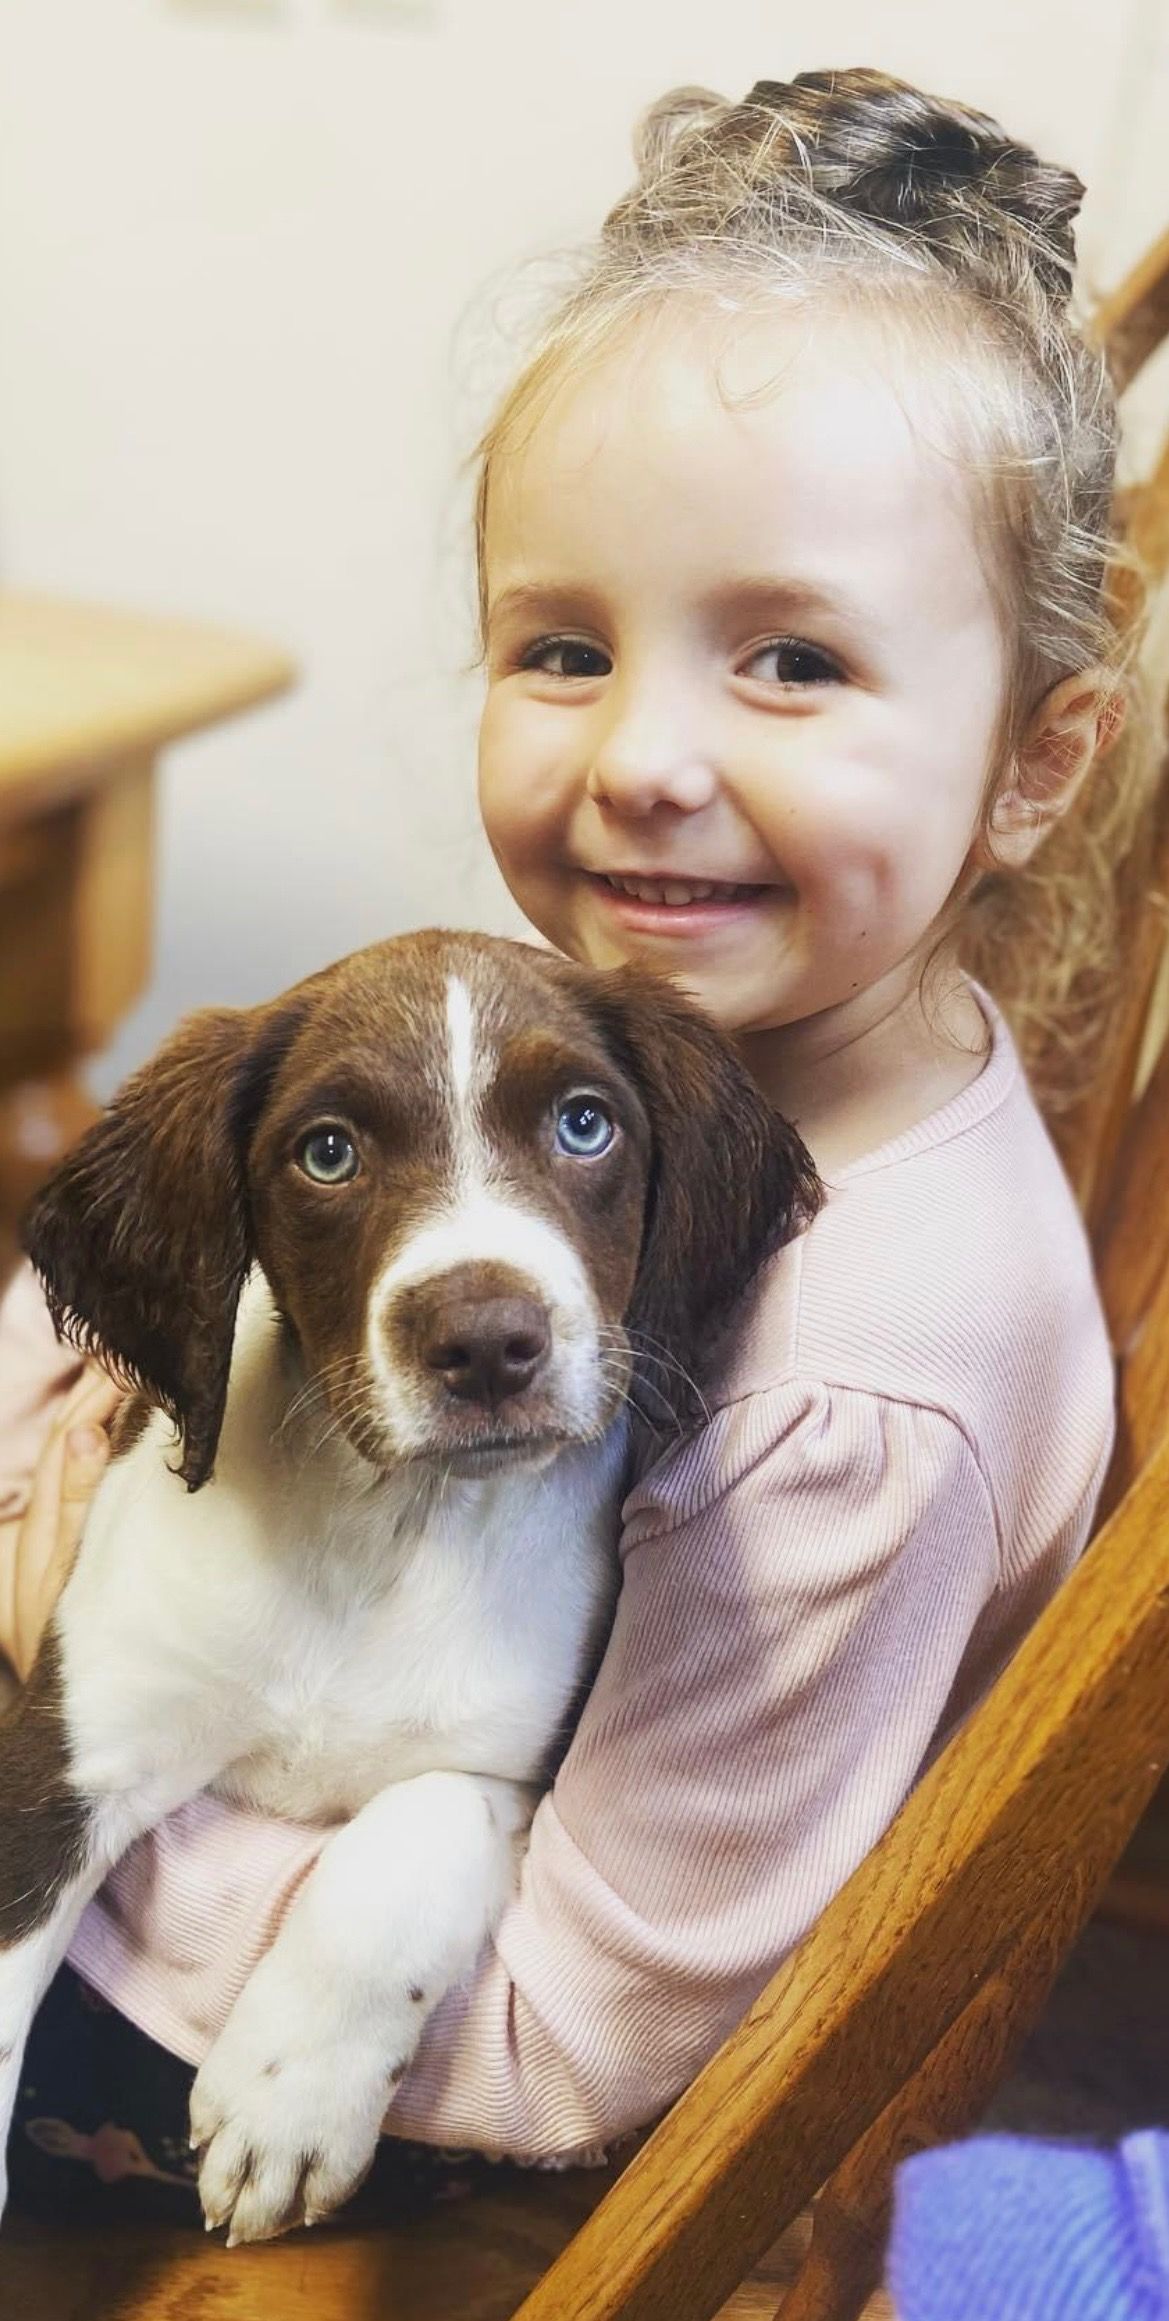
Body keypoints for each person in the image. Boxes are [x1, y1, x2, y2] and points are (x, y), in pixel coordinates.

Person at [0, 65, 1157, 2221]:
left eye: (792, 660)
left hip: (456, 2132)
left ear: (1036, 764)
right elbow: (122, 1254)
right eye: (563, 646)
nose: (642, 756)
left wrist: (89, 1711)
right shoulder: (673, 1063)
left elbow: (569, 2036)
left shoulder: (860, 1389)